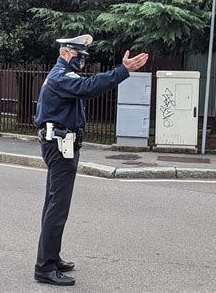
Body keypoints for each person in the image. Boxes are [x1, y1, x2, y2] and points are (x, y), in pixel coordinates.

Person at [34, 34, 149, 286]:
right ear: (65, 53)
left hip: (61, 144)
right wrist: (122, 71)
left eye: (84, 60)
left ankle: (51, 257)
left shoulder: (62, 74)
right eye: (79, 57)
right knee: (57, 207)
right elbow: (89, 87)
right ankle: (44, 267)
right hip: (59, 146)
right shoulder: (60, 76)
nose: (82, 63)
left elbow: (84, 86)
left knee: (53, 203)